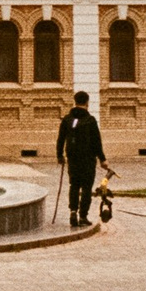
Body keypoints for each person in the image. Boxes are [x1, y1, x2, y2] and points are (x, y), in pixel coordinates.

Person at [55, 92, 108, 226]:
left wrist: (60, 155)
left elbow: (61, 139)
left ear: (75, 102)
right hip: (87, 160)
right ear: (87, 103)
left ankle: (73, 211)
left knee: (74, 185)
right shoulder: (90, 120)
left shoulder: (67, 119)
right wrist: (102, 159)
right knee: (86, 188)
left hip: (72, 159)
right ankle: (83, 216)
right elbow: (97, 142)